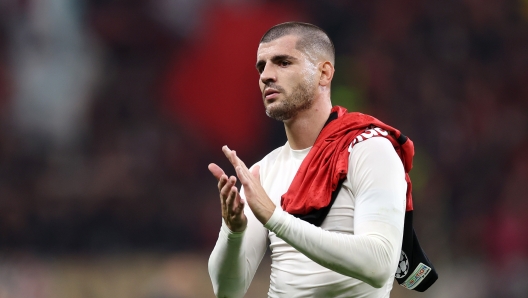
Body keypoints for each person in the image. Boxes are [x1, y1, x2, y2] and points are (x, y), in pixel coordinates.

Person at [207, 22, 408, 298]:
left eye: (283, 62)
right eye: (261, 67)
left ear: (324, 73)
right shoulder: (262, 173)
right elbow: (227, 291)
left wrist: (275, 218)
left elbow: (380, 265)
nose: (266, 75)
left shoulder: (369, 150)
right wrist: (233, 232)